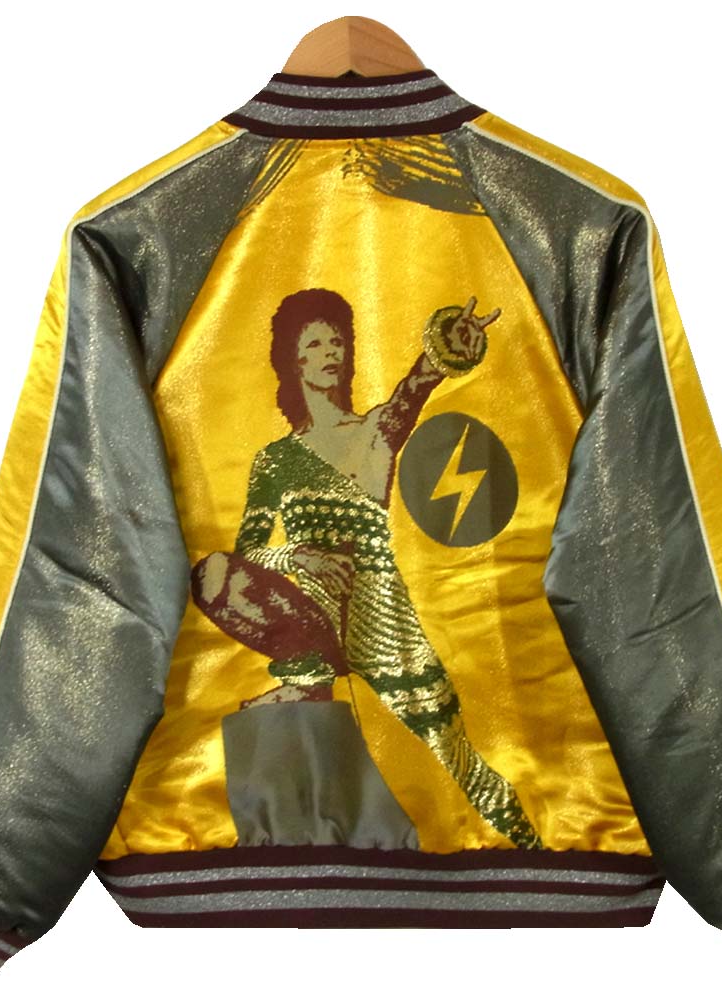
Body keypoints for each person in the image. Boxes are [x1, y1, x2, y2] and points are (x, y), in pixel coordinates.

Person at [191, 288, 541, 850]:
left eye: (337, 342)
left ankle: (526, 842)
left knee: (452, 751)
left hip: (381, 614)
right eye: (315, 344)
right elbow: (245, 555)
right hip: (311, 610)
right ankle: (308, 674)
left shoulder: (374, 431)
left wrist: (446, 349)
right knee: (211, 574)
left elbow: (412, 392)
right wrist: (294, 556)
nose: (330, 352)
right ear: (293, 360)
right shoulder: (274, 461)